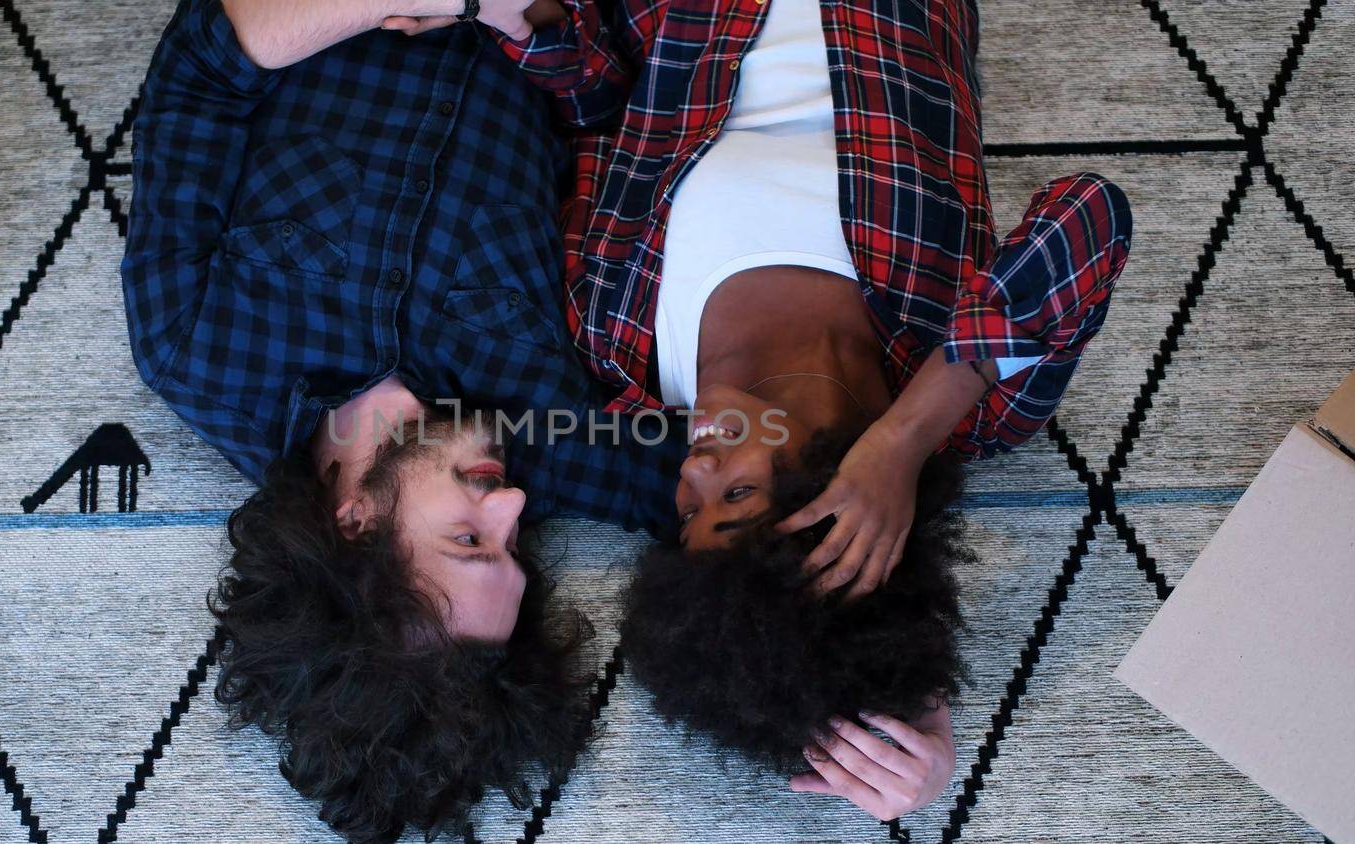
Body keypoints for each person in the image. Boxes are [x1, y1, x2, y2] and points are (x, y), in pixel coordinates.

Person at [391, 0, 1131, 821]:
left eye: (688, 512)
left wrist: (518, 16)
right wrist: (905, 440)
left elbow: (610, 108)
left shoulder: (615, 343)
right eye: (736, 499)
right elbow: (1088, 217)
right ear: (842, 485)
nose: (695, 471)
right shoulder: (965, 392)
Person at [120, 0, 683, 840]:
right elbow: (766, 495)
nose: (515, 509)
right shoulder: (560, 451)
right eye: (515, 548)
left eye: (468, 539)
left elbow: (202, 67)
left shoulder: (192, 349)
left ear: (353, 524)